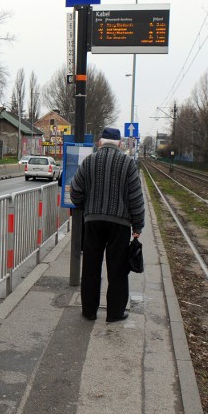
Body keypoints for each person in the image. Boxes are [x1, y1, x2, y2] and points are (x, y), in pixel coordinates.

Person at [70, 127, 145, 323]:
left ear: (100, 143)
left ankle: (89, 311)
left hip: (93, 222)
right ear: (119, 144)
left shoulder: (89, 162)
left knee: (91, 267)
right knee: (118, 269)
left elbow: (76, 191)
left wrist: (85, 206)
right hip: (119, 225)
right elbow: (136, 198)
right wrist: (138, 226)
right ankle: (115, 313)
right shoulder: (128, 163)